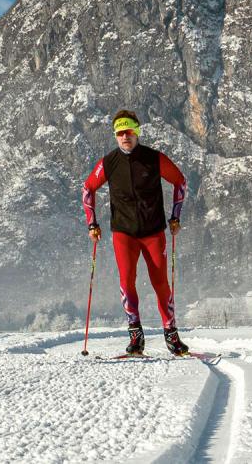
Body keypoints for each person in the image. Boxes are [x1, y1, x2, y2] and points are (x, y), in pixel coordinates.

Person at [82, 110, 189, 356]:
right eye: (120, 133)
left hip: (153, 231)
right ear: (115, 136)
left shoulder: (154, 158)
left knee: (160, 282)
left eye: (129, 131)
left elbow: (180, 181)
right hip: (124, 233)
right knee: (127, 282)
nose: (125, 136)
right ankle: (135, 337)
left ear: (137, 132)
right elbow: (88, 189)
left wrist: (175, 216)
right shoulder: (108, 163)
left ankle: (171, 335)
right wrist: (92, 224)